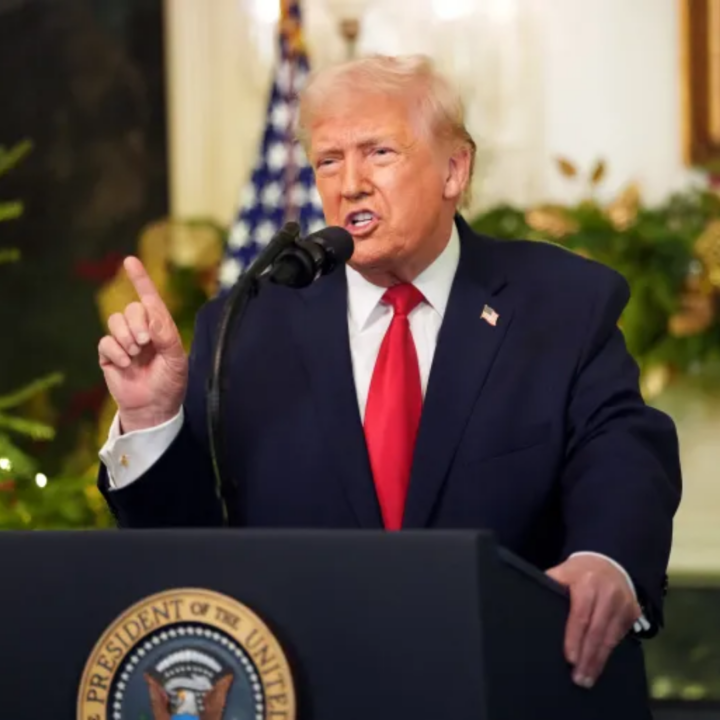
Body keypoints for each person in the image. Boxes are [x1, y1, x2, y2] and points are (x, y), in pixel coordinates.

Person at [97, 54, 681, 691]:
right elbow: (193, 555)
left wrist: (607, 560)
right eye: (328, 161)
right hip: (317, 687)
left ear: (454, 169)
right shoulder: (246, 324)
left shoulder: (561, 302)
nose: (349, 184)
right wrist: (151, 421)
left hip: (512, 681)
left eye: (378, 153)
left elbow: (623, 450)